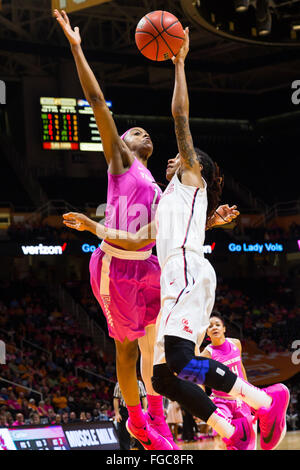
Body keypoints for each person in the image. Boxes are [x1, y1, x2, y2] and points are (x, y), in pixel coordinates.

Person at [64, 28, 290, 451]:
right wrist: (210, 224)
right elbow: (152, 236)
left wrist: (180, 64)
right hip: (172, 276)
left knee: (174, 361)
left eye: (180, 156)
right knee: (165, 377)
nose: (172, 155)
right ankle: (231, 429)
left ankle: (265, 400)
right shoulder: (165, 195)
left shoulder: (189, 176)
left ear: (194, 166)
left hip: (184, 274)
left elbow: (179, 118)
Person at [54, 8, 174, 451]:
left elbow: (153, 238)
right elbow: (99, 101)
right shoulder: (121, 165)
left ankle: (158, 417)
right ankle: (137, 420)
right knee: (125, 350)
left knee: (156, 348)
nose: (137, 129)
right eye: (130, 129)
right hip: (116, 267)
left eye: (144, 131)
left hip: (148, 264)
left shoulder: (158, 188)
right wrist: (76, 47)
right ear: (120, 144)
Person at [200, 313, 257, 449]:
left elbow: (241, 367)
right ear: (207, 332)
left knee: (247, 439)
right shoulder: (207, 354)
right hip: (221, 401)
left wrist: (249, 394)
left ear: (224, 328)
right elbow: (198, 379)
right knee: (221, 437)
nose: (214, 327)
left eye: (217, 325)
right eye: (210, 326)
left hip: (240, 399)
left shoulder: (236, 343)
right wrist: (203, 398)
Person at [113, 379, 147, 450]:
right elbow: (116, 399)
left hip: (137, 410)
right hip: (124, 411)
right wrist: (117, 413)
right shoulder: (119, 383)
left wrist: (145, 411)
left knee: (140, 434)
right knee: (123, 435)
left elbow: (144, 397)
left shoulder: (139, 383)